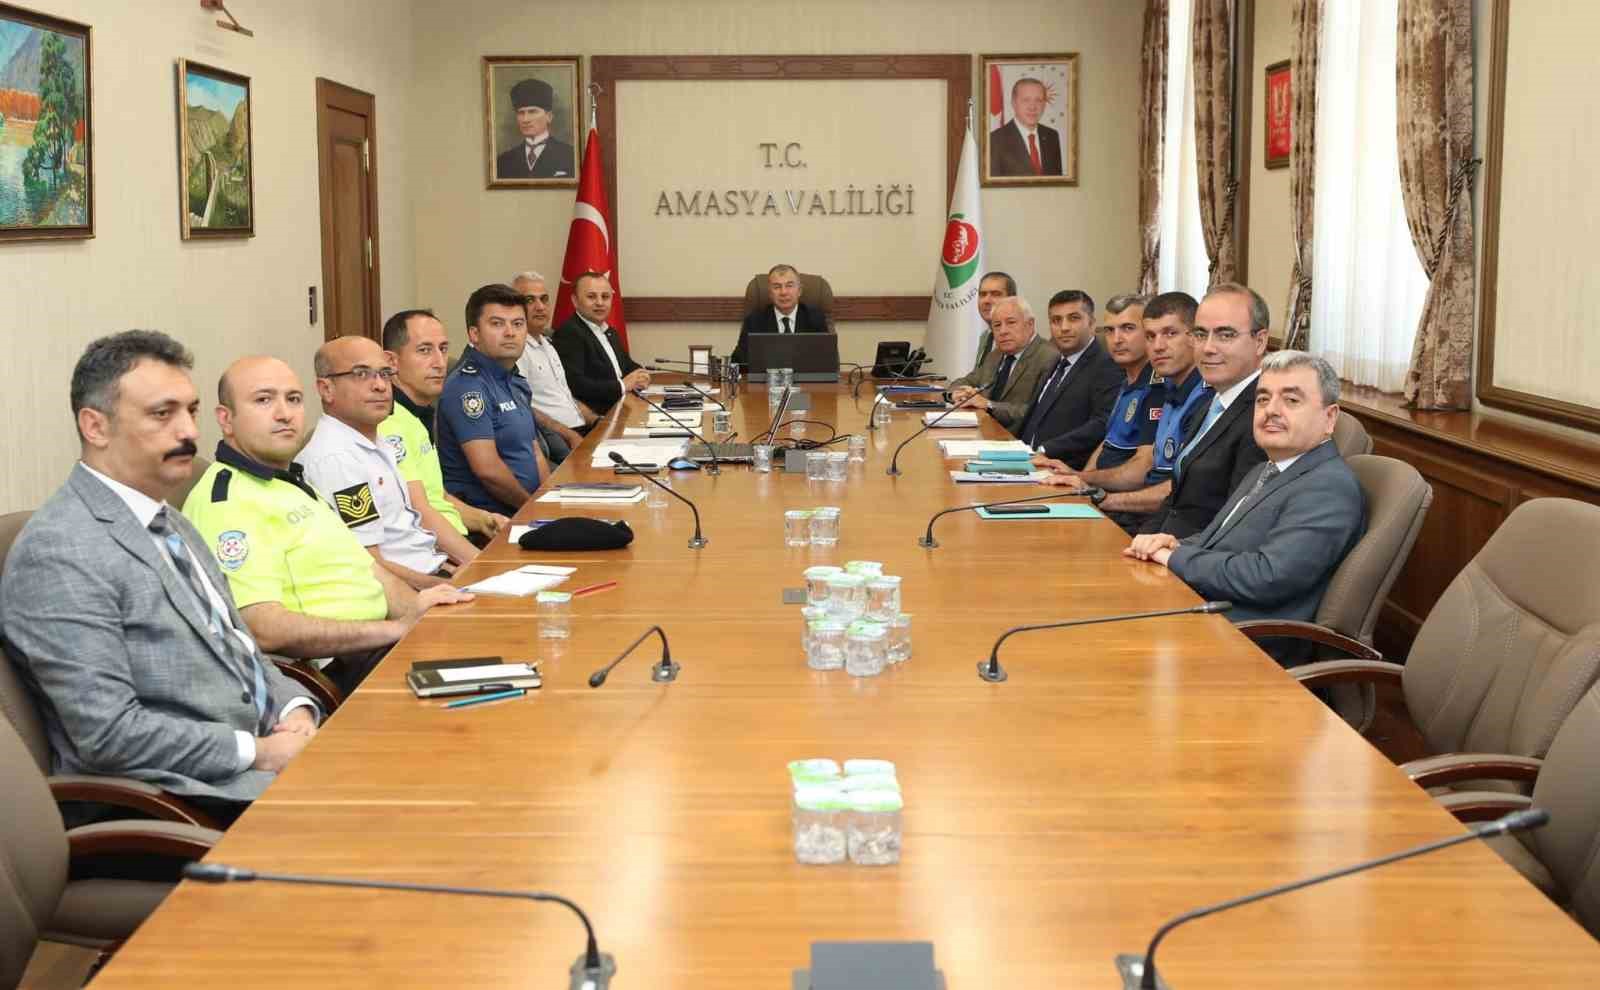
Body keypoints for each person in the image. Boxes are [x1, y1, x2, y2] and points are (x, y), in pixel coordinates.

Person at [0, 331, 317, 818]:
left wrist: (295, 711)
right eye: (162, 414)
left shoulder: (169, 518)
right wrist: (261, 752)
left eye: (190, 410)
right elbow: (108, 735)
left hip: (265, 759)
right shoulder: (61, 550)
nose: (189, 432)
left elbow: (241, 650)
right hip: (178, 800)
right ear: (95, 426)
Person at [184, 357, 474, 695]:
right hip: (339, 668)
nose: (284, 413)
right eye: (264, 400)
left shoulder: (287, 482)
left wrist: (421, 613)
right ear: (226, 419)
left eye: (293, 399)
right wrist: (396, 629)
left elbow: (372, 571)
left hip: (383, 644)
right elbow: (264, 628)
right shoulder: (228, 502)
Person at [1125, 351, 1365, 649]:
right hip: (1199, 614)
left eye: (1291, 400)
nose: (1271, 410)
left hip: (1244, 644)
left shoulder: (1328, 487)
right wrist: (1171, 544)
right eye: (1263, 399)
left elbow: (1266, 576)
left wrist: (1175, 557)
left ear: (1330, 418)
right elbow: (1218, 540)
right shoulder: (1265, 469)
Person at [1039, 291, 1207, 534]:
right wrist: (1080, 479)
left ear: (1195, 337)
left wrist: (1090, 486)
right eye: (1110, 331)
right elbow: (1108, 442)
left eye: (1128, 328)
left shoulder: (1165, 389)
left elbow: (1151, 473)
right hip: (1136, 512)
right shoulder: (1136, 381)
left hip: (1146, 519)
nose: (1117, 339)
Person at [299, 335, 453, 590]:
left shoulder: (373, 439)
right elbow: (370, 564)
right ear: (326, 389)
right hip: (409, 590)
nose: (380, 386)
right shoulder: (337, 459)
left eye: (384, 373)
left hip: (433, 568)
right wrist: (444, 585)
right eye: (362, 374)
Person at [1136, 283, 1270, 538]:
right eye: (1200, 334)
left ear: (1260, 341)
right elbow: (1175, 500)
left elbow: (1235, 524)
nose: (1208, 348)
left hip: (1191, 564)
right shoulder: (1212, 402)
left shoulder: (1263, 414)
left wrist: (1167, 554)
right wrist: (1137, 544)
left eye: (1225, 335)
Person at [380, 308, 508, 548]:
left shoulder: (417, 414)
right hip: (437, 554)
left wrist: (483, 519)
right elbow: (420, 511)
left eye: (443, 349)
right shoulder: (389, 422)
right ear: (392, 362)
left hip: (456, 539)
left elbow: (436, 496)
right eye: (425, 350)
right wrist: (475, 560)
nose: (439, 363)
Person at [438, 283, 553, 517]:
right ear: (474, 334)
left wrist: (549, 501)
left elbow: (534, 451)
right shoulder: (467, 386)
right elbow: (488, 470)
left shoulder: (515, 380)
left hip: (528, 510)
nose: (510, 332)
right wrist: (532, 510)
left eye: (518, 324)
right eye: (497, 324)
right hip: (493, 522)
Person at [1014, 289, 1124, 468]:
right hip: (1026, 461)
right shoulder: (1056, 361)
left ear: (1092, 323)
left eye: (1073, 318)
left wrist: (1045, 449)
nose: (1064, 327)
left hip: (1063, 468)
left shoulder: (1107, 365)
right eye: (1056, 320)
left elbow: (1103, 423)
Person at [511, 270, 599, 460]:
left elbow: (565, 396)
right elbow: (524, 406)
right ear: (513, 307)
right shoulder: (516, 351)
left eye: (544, 299)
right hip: (559, 438)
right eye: (530, 300)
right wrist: (568, 434)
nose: (540, 307)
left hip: (581, 430)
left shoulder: (548, 343)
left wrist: (598, 421)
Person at [946, 297, 1054, 431]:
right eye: (997, 325)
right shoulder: (996, 354)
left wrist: (988, 405)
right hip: (984, 431)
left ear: (1030, 324)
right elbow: (967, 380)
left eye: (1011, 322)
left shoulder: (1048, 357)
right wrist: (959, 393)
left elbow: (1036, 412)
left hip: (1016, 440)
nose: (1003, 331)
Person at [552, 270, 650, 415]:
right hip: (596, 417)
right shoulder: (570, 333)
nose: (599, 303)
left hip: (622, 408)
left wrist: (641, 374)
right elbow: (576, 385)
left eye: (605, 297)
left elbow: (627, 365)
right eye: (591, 297)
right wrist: (622, 385)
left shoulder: (609, 331)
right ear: (575, 300)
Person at [730, 264, 829, 367]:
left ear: (799, 291)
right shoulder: (754, 321)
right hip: (767, 381)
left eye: (789, 286)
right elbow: (738, 362)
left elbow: (827, 361)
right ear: (770, 293)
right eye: (777, 287)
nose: (783, 292)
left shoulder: (815, 319)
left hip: (806, 382)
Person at [494, 77, 575, 180]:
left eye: (532, 112)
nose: (525, 119)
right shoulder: (503, 161)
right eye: (521, 113)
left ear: (549, 117)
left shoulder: (569, 156)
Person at [988, 77, 1064, 177]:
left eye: (1038, 100)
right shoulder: (995, 140)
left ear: (1044, 104)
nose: (1032, 107)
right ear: (1013, 103)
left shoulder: (1052, 136)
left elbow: (1057, 184)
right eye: (1026, 100)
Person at [970, 271, 1017, 370]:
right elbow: (977, 378)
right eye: (982, 294)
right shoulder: (985, 337)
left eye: (995, 294)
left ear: (1012, 299)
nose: (986, 300)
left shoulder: (1019, 338)